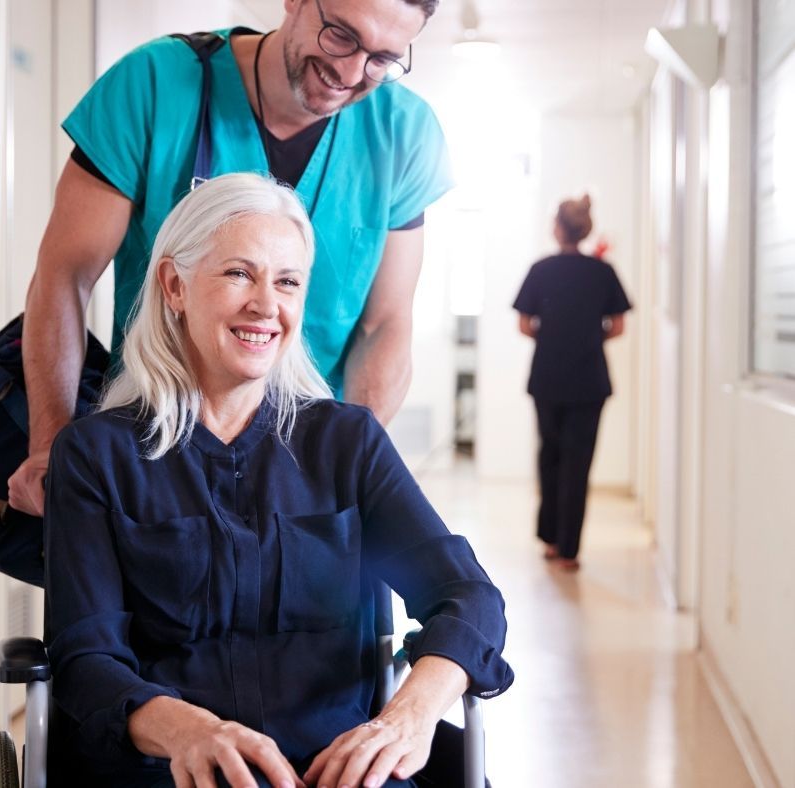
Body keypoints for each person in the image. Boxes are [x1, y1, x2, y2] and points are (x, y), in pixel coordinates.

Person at [44, 174, 513, 787]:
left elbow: (468, 597)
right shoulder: (95, 455)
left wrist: (408, 717)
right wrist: (190, 730)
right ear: (175, 285)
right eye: (240, 273)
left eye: (287, 281)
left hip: (336, 768)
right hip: (170, 770)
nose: (267, 305)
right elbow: (86, 659)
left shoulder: (346, 443)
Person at [9, 0, 453, 517]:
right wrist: (54, 446)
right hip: (152, 457)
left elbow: (385, 323)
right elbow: (63, 277)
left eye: (382, 59)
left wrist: (342, 462)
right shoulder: (155, 85)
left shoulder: (404, 133)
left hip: (306, 472)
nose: (352, 73)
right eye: (341, 35)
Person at [512, 195, 631, 571]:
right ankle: (569, 550)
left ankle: (549, 538)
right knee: (578, 463)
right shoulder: (603, 271)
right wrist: (589, 338)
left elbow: (524, 324)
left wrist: (553, 337)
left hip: (548, 376)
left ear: (558, 228)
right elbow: (619, 325)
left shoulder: (541, 269)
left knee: (550, 455)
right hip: (589, 380)